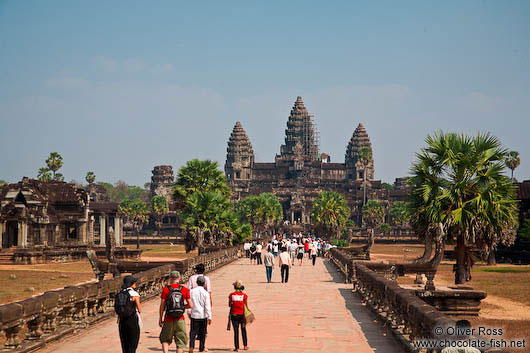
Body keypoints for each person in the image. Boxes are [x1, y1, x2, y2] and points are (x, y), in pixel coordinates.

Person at [159, 271, 193, 353]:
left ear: (170, 279)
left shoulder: (166, 289)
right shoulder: (184, 289)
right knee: (180, 342)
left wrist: (160, 318)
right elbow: (191, 305)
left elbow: (162, 306)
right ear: (179, 278)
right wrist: (182, 307)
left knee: (165, 339)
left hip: (168, 317)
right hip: (180, 318)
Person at [118, 275, 141, 353]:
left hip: (121, 320)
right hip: (132, 320)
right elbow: (139, 309)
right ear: (131, 283)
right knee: (133, 343)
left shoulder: (120, 293)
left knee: (124, 344)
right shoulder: (134, 294)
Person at [189, 276, 211, 353]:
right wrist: (209, 316)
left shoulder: (191, 291)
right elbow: (207, 306)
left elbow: (189, 303)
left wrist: (189, 312)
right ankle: (201, 347)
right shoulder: (205, 293)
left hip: (194, 314)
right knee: (203, 332)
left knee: (193, 332)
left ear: (197, 282)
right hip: (203, 315)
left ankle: (191, 346)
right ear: (204, 283)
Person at [229, 280, 249, 352]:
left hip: (234, 315)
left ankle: (236, 347)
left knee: (236, 331)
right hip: (242, 315)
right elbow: (246, 306)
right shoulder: (244, 295)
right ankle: (245, 345)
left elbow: (229, 305)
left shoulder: (231, 295)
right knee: (243, 330)